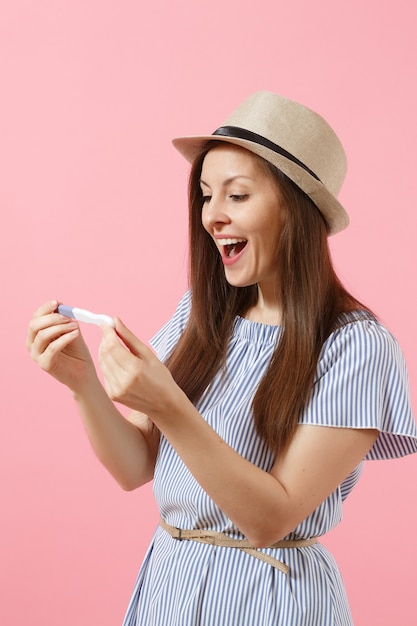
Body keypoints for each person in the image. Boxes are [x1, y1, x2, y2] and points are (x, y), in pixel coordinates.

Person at [27, 91, 417, 626]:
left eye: (236, 196)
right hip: (171, 586)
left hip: (270, 599)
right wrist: (83, 384)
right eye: (207, 195)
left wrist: (168, 405)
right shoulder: (201, 314)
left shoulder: (356, 347)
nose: (212, 216)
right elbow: (135, 466)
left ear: (295, 208)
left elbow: (270, 518)